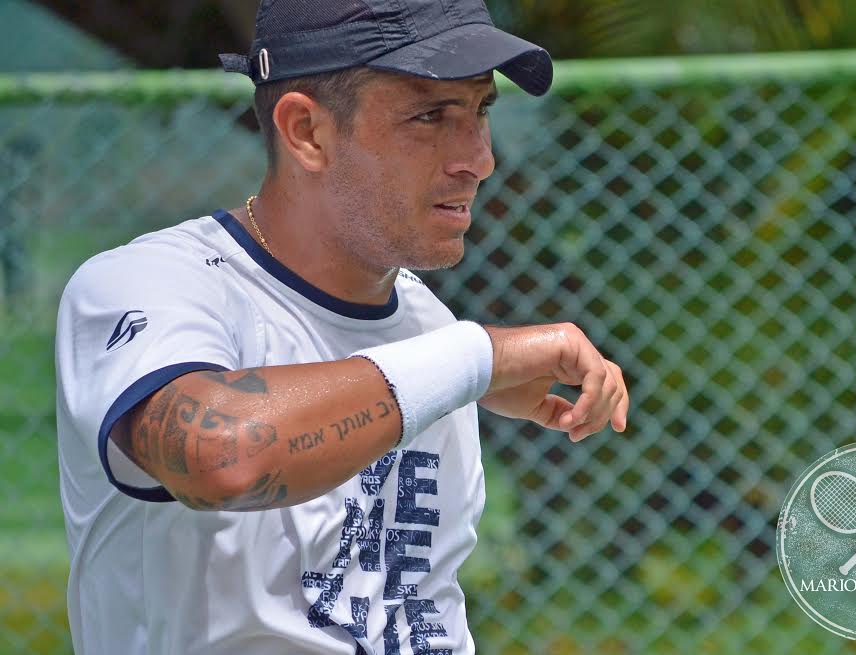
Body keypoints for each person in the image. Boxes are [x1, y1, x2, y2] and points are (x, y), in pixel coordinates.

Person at [55, 1, 628, 653]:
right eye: (430, 116)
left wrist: (460, 363)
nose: (478, 159)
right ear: (307, 132)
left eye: (480, 112)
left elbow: (422, 612)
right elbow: (221, 459)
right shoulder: (151, 282)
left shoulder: (428, 327)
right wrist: (477, 361)